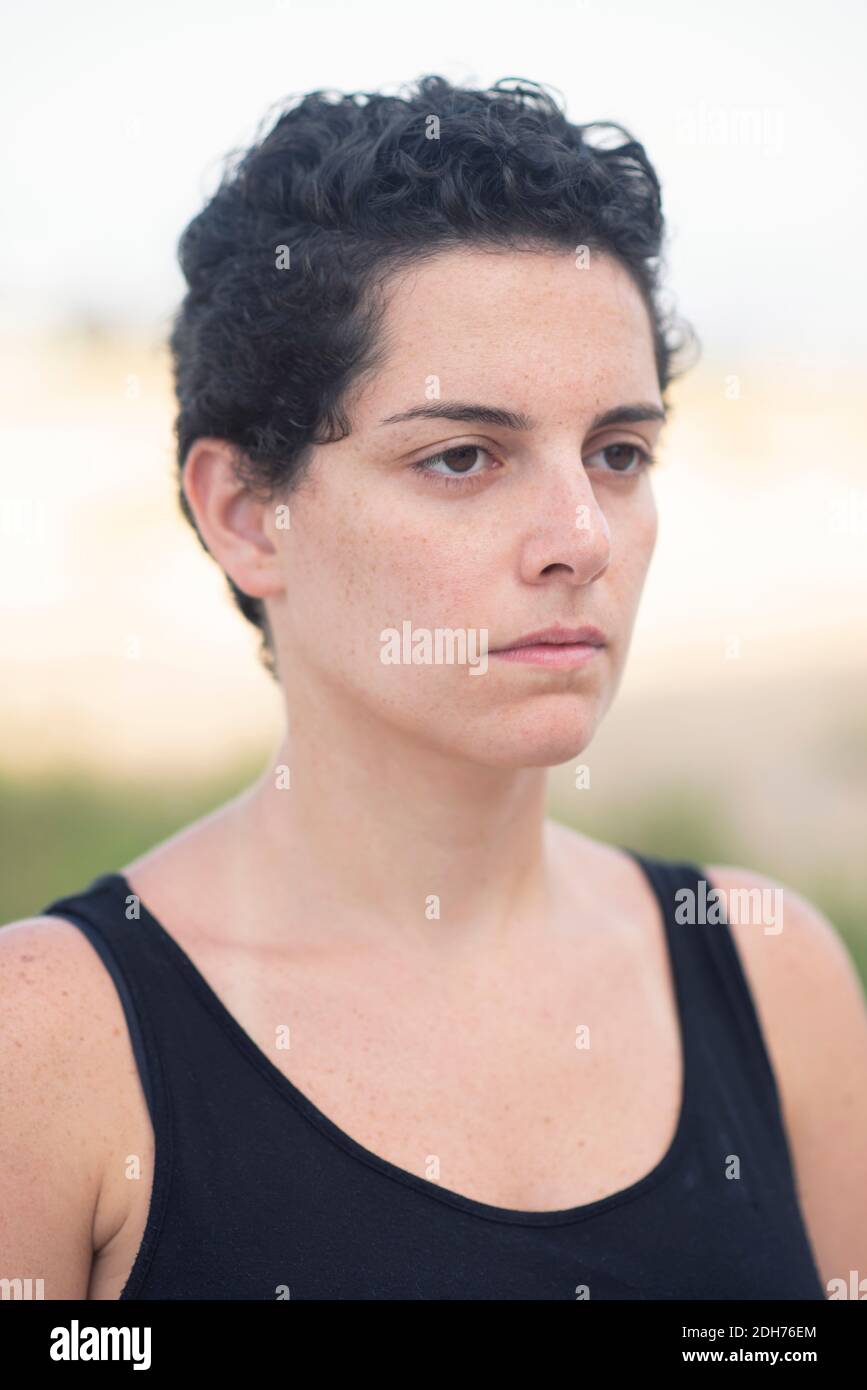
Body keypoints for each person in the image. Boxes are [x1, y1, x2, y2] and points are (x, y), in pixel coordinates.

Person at [2, 75, 865, 1302]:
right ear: (247, 514)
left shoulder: (774, 978)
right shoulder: (49, 1044)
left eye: (619, 453)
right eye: (463, 456)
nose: (583, 536)